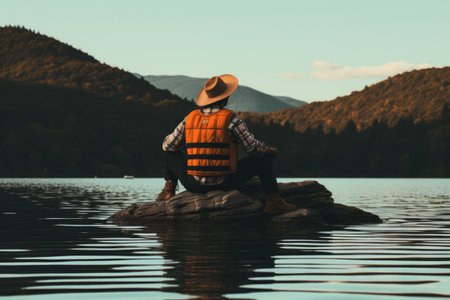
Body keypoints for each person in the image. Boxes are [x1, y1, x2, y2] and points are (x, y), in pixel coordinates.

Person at [156, 74, 296, 214]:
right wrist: (269, 151)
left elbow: (167, 146)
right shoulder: (231, 119)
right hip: (226, 183)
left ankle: (168, 190)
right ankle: (273, 201)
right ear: (225, 98)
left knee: (170, 152)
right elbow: (253, 149)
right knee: (263, 158)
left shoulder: (190, 119)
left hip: (193, 184)